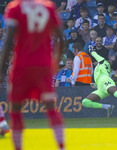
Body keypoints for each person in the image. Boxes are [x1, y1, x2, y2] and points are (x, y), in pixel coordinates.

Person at [0, 0, 65, 149]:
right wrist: (54, 61)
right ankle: (61, 146)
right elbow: (60, 37)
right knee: (51, 109)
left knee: (16, 111)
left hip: (21, 65)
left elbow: (8, 40)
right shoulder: (48, 7)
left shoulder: (15, 7)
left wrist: (1, 67)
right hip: (43, 65)